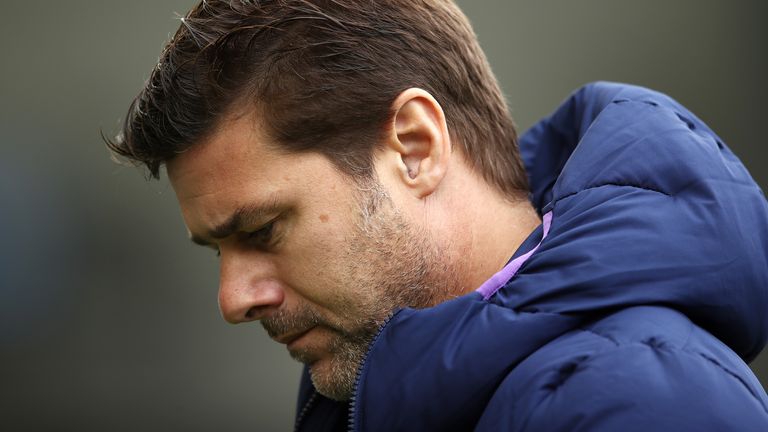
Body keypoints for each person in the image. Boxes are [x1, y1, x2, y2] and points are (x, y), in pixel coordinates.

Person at [108, 1, 768, 430]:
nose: (232, 299)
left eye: (261, 231)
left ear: (416, 148)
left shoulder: (640, 403)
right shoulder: (382, 395)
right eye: (215, 251)